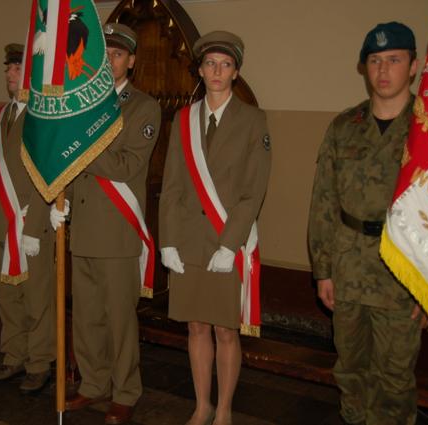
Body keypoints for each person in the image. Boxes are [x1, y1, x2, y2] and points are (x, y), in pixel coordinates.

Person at [308, 22, 428, 425]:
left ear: (413, 65)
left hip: (404, 274)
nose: (383, 70)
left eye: (394, 59)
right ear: (364, 67)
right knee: (350, 372)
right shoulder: (345, 126)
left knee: (394, 381)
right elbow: (324, 200)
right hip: (349, 268)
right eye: (375, 61)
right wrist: (323, 269)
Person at [159, 31, 271, 425]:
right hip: (189, 240)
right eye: (210, 64)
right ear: (200, 70)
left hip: (228, 240)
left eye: (225, 64)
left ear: (236, 72)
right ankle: (201, 405)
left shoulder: (253, 120)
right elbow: (171, 185)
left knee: (225, 330)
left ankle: (223, 409)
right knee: (195, 326)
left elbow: (254, 191)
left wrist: (229, 244)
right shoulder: (183, 119)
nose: (217, 71)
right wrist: (167, 240)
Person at [54, 23, 161, 425]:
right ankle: (94, 383)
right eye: (105, 54)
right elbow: (68, 160)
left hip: (117, 230)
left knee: (119, 320)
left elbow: (127, 166)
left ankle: (126, 391)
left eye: (118, 54)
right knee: (86, 318)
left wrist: (82, 141)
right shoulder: (84, 104)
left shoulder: (143, 107)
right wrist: (62, 197)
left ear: (131, 61)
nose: (111, 61)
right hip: (82, 227)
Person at [0, 44, 55, 392]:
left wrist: (35, 225)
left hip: (29, 223)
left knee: (37, 298)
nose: (9, 74)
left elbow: (49, 175)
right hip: (1, 222)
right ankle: (14, 354)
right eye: (8, 68)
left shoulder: (44, 117)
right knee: (7, 295)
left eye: (17, 68)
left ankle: (40, 362)